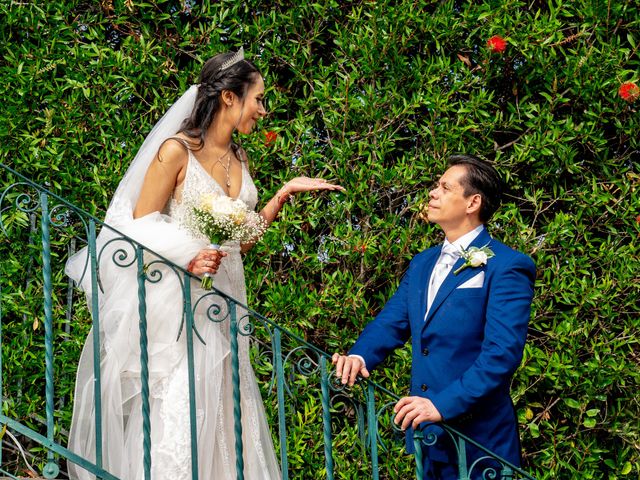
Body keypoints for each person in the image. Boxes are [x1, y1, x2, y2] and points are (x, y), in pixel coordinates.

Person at [66, 48, 344, 480]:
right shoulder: (176, 151)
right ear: (230, 97)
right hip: (181, 306)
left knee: (226, 414)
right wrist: (188, 254)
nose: (263, 110)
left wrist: (281, 196)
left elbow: (240, 244)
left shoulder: (241, 159)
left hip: (227, 303)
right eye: (259, 99)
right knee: (181, 408)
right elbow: (135, 227)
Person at [332, 155, 535, 479]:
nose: (433, 193)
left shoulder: (507, 266)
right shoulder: (423, 263)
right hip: (429, 438)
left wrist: (441, 404)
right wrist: (359, 356)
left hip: (480, 445)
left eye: (444, 187)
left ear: (473, 202)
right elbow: (392, 321)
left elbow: (501, 355)